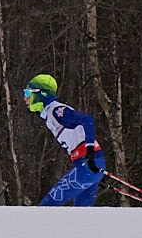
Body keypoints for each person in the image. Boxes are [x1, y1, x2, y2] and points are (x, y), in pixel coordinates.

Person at [21, 73, 106, 207]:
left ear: (40, 94)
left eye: (27, 92)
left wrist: (89, 152)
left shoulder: (56, 111)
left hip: (87, 163)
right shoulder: (49, 114)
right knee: (81, 216)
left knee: (46, 207)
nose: (25, 98)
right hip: (91, 164)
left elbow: (88, 120)